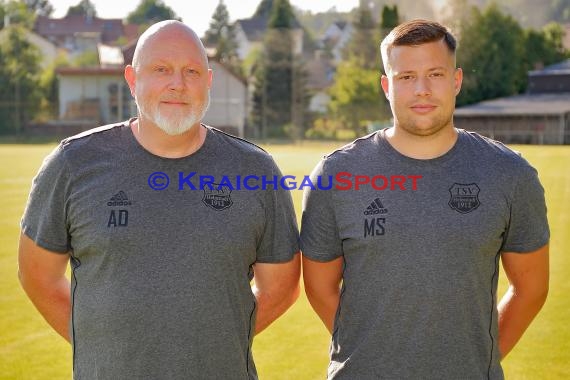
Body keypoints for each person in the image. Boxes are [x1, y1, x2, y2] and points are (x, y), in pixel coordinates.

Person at [18, 20, 300, 379]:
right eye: (161, 69)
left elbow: (282, 287)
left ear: (209, 82)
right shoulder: (73, 164)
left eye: (192, 72)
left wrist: (213, 344)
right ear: (132, 79)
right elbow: (38, 276)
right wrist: (102, 344)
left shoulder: (255, 170)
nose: (178, 85)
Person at [301, 19, 549, 379]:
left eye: (435, 74)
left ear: (456, 80)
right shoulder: (336, 174)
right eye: (405, 77)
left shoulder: (510, 175)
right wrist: (369, 353)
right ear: (387, 86)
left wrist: (479, 357)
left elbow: (531, 289)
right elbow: (319, 287)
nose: (421, 89)